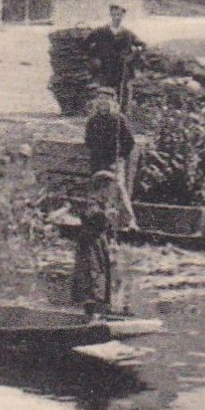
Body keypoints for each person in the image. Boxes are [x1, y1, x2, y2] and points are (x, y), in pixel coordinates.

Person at [71, 169, 121, 319]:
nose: (113, 193)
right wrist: (106, 215)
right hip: (90, 245)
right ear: (103, 187)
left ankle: (97, 313)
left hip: (99, 244)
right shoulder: (92, 201)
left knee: (100, 276)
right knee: (91, 276)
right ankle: (89, 314)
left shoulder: (103, 204)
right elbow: (91, 216)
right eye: (111, 189)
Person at [84, 87, 137, 228]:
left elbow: (130, 142)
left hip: (114, 161)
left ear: (112, 102)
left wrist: (120, 156)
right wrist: (95, 151)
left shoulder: (119, 120)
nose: (103, 102)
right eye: (100, 98)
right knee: (96, 190)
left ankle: (129, 220)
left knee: (118, 187)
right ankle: (97, 219)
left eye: (106, 99)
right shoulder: (92, 121)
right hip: (97, 161)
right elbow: (88, 140)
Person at [84, 4, 143, 112]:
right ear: (110, 15)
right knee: (105, 93)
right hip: (106, 68)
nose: (117, 17)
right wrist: (95, 58)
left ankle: (121, 116)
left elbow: (141, 46)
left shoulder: (127, 33)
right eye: (114, 14)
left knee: (123, 94)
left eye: (119, 15)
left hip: (122, 68)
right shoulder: (101, 31)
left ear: (123, 15)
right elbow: (86, 45)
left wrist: (132, 56)